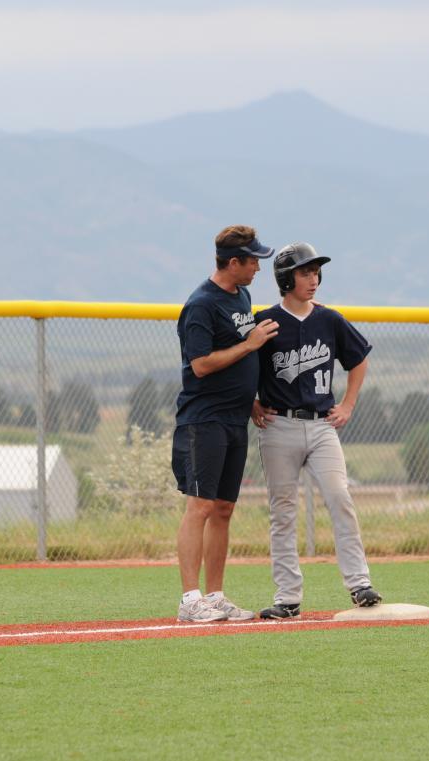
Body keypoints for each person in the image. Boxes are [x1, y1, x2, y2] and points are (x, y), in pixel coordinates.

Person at [252, 243, 382, 619]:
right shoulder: (264, 320)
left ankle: (360, 585)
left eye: (315, 272)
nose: (313, 279)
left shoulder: (330, 320)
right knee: (283, 512)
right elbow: (242, 369)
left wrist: (348, 405)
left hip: (322, 425)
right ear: (285, 279)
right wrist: (250, 402)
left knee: (340, 497)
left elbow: (358, 363)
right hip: (279, 426)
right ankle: (287, 598)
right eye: (304, 272)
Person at [173, 225, 279, 622]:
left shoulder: (242, 295)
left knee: (223, 509)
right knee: (199, 506)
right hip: (204, 419)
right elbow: (200, 365)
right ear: (233, 262)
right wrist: (250, 344)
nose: (257, 268)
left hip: (235, 417)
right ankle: (190, 599)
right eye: (253, 260)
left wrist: (249, 399)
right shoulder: (201, 304)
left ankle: (215, 596)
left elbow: (233, 361)